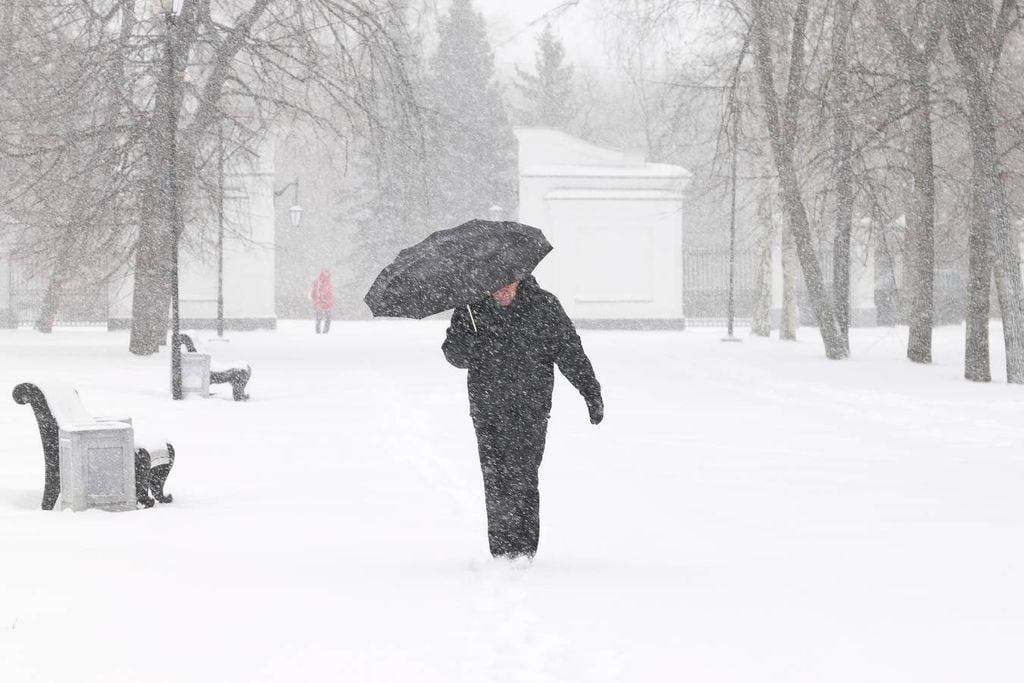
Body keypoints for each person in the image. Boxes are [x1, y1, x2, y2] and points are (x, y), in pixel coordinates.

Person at [442, 274, 603, 564]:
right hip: (487, 406)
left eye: (508, 283)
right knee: (495, 477)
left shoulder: (544, 306)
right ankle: (501, 551)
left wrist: (590, 392)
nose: (501, 289)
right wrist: (466, 342)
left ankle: (525, 549)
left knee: (523, 475)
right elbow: (454, 355)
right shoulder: (470, 307)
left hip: (530, 407)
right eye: (495, 284)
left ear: (520, 280)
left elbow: (570, 351)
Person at [310, 268, 333, 334]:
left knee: (321, 319)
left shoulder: (326, 281)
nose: (328, 275)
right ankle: (321, 334)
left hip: (324, 304)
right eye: (327, 273)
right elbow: (314, 293)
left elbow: (328, 294)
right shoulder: (319, 282)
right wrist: (318, 301)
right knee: (322, 319)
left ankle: (322, 333)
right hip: (322, 304)